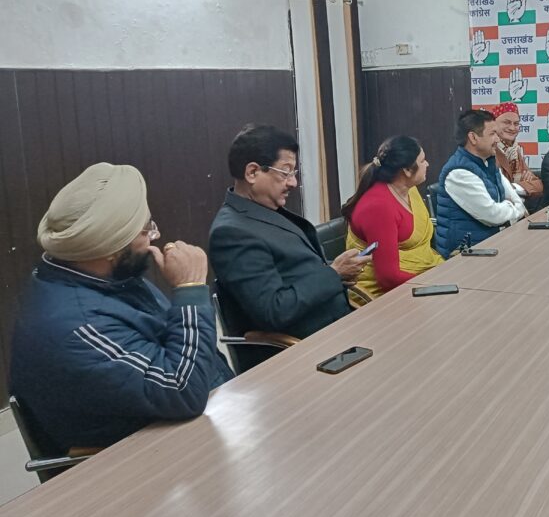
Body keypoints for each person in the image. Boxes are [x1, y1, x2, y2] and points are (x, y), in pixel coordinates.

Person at [9, 163, 234, 454]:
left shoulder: (103, 274)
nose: (154, 236)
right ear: (113, 247)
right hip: (146, 457)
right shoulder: (79, 326)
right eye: (146, 229)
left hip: (189, 422)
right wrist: (190, 289)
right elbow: (182, 390)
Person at [209, 125, 370, 340]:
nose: (293, 182)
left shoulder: (264, 210)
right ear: (252, 172)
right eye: (285, 172)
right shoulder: (231, 233)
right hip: (308, 345)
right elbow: (274, 310)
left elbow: (298, 272)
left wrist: (338, 272)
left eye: (293, 173)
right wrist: (333, 274)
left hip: (337, 325)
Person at [341, 136, 443, 303]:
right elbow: (388, 278)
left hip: (422, 277)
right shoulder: (379, 207)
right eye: (422, 160)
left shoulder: (409, 189)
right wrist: (436, 284)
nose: (427, 164)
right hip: (385, 296)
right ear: (407, 170)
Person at [435, 109, 526, 258]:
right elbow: (492, 215)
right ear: (473, 137)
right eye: (492, 134)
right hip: (464, 254)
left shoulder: (489, 161)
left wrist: (511, 206)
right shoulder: (459, 172)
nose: (497, 139)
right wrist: (514, 209)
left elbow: (514, 197)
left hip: (489, 245)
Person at [490, 102, 544, 211]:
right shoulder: (489, 149)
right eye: (506, 122)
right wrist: (522, 185)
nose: (512, 128)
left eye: (516, 123)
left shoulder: (514, 150)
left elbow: (538, 185)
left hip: (515, 210)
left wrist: (514, 187)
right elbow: (497, 189)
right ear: (493, 124)